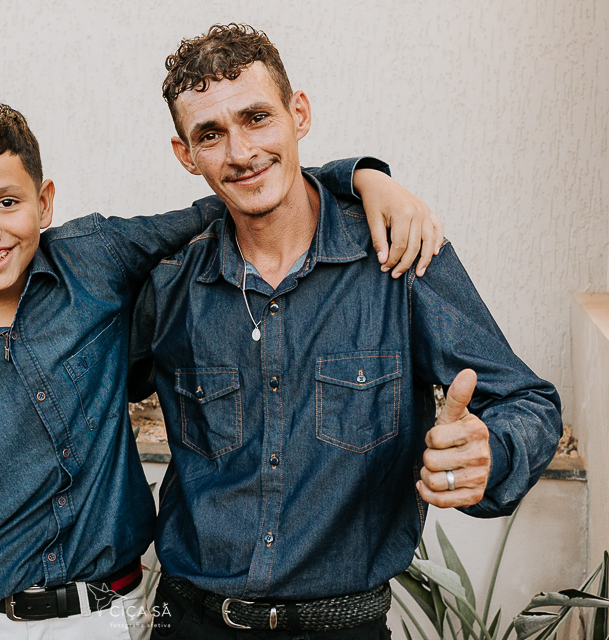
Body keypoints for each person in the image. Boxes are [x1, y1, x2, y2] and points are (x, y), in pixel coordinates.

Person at [0, 98, 441, 640]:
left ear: (45, 202)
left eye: (7, 202)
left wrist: (360, 177)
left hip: (113, 616)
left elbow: (234, 195)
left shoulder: (96, 257)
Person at [120, 24, 563, 639]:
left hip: (345, 625)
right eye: (211, 134)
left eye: (257, 118)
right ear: (185, 153)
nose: (241, 152)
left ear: (298, 114)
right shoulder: (170, 283)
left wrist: (494, 452)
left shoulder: (399, 257)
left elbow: (527, 401)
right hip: (192, 622)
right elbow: (77, 389)